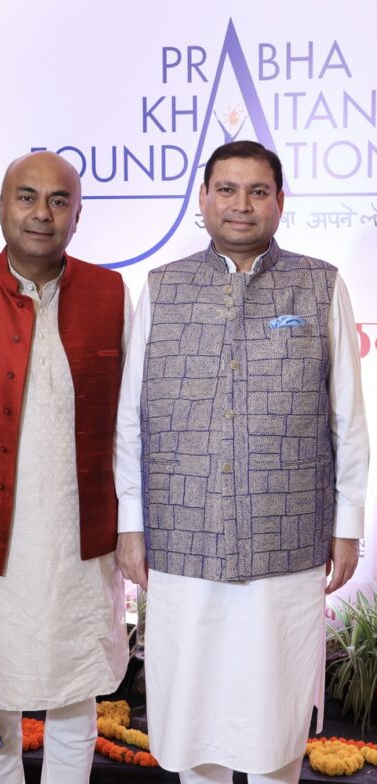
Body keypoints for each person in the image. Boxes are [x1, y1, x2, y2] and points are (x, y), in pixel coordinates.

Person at [115, 140, 369, 784]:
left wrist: (347, 525)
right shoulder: (163, 288)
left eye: (258, 191)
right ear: (202, 200)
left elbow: (346, 416)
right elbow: (131, 418)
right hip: (181, 538)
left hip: (285, 540)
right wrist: (131, 523)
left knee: (274, 715)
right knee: (192, 714)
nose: (241, 204)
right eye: (226, 189)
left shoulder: (319, 284)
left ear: (280, 202)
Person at [0, 150, 131, 784]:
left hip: (82, 535)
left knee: (76, 694)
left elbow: (131, 418)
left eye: (59, 200)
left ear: (77, 215)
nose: (42, 213)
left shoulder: (111, 290)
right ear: (1, 207)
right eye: (26, 197)